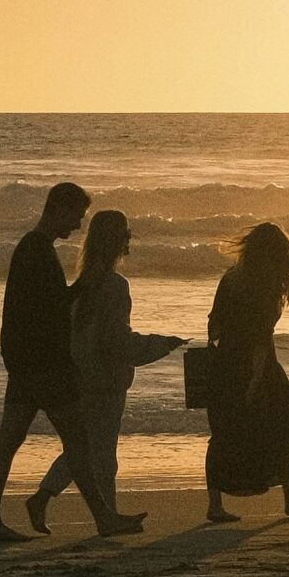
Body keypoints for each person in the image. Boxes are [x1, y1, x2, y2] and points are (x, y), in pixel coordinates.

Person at [0, 183, 146, 542]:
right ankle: (103, 518)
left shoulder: (34, 248)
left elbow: (31, 310)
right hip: (45, 366)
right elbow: (47, 312)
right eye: (75, 216)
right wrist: (82, 290)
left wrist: (15, 361)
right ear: (58, 208)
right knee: (79, 444)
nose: (77, 226)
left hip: (27, 365)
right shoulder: (37, 251)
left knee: (10, 443)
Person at [62, 210, 186, 518]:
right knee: (103, 454)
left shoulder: (80, 285)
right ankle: (109, 516)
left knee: (84, 447)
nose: (130, 238)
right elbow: (119, 342)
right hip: (106, 380)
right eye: (126, 233)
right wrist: (161, 344)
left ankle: (43, 497)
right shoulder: (115, 286)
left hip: (81, 377)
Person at [204, 223, 289, 523]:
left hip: (226, 359)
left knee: (222, 431)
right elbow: (259, 337)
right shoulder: (265, 285)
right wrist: (256, 377)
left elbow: (213, 325)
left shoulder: (231, 277)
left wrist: (223, 355)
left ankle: (215, 504)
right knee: (284, 418)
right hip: (256, 361)